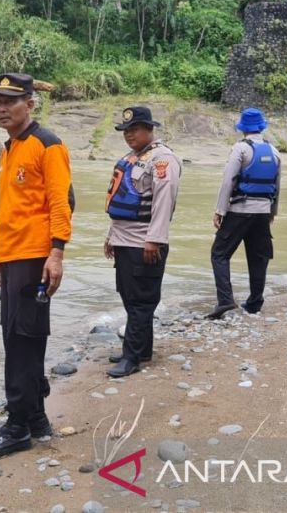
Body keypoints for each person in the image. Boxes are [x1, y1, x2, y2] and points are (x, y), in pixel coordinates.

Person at [0, 73, 74, 457]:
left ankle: (17, 427)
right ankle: (35, 419)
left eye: (10, 101)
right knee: (18, 336)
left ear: (30, 104)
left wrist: (57, 252)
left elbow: (62, 202)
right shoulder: (10, 148)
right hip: (14, 256)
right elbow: (12, 209)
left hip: (35, 257)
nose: (1, 108)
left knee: (22, 342)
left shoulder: (47, 145)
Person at [103, 106, 182, 378]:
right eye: (126, 131)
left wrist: (155, 241)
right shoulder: (132, 158)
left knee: (140, 302)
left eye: (134, 129)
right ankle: (141, 348)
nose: (129, 135)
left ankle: (132, 357)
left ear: (150, 129)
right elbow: (120, 199)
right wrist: (111, 236)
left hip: (144, 243)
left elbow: (163, 202)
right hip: (125, 240)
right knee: (129, 297)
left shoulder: (162, 160)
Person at [207, 108, 281, 319]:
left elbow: (228, 180)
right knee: (259, 257)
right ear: (261, 127)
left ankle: (225, 300)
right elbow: (277, 186)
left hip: (240, 210)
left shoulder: (240, 149)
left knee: (219, 254)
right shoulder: (274, 151)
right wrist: (272, 213)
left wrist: (220, 210)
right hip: (262, 212)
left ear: (243, 128)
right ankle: (255, 302)